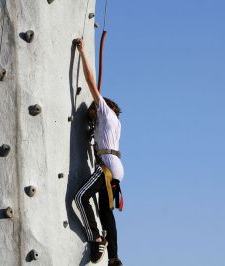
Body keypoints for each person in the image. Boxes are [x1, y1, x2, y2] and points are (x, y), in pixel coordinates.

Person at [74, 38, 124, 266]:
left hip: (106, 168)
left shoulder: (104, 109)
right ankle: (113, 257)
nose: (91, 113)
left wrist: (83, 52)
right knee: (106, 213)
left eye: (92, 110)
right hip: (116, 169)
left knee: (81, 196)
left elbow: (89, 79)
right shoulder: (115, 123)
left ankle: (95, 238)